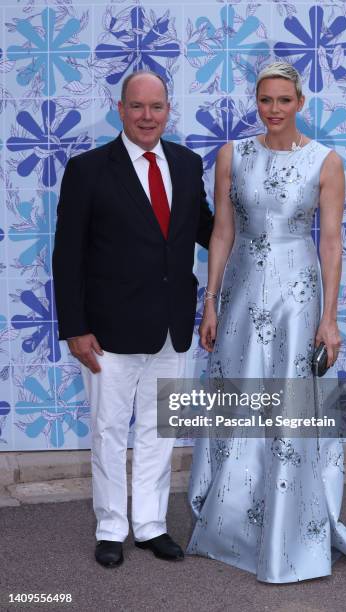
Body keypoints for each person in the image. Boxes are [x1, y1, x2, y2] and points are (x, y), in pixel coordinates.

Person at [187, 62, 346, 583]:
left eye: (283, 100)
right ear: (256, 100)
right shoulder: (232, 154)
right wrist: (212, 301)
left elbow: (330, 242)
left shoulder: (325, 161)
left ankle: (290, 532)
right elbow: (222, 232)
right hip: (242, 291)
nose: (273, 110)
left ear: (300, 101)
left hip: (297, 296)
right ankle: (231, 525)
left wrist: (329, 319)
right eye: (265, 100)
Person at [52, 71, 213, 568]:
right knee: (108, 431)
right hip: (108, 332)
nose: (148, 117)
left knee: (158, 431)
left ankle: (150, 525)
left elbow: (208, 231)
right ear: (120, 109)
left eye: (157, 107)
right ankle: (110, 527)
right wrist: (75, 328)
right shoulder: (88, 169)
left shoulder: (187, 165)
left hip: (171, 327)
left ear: (169, 110)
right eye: (138, 107)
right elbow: (67, 255)